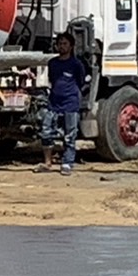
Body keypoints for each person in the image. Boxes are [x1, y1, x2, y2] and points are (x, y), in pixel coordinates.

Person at [38, 31, 87, 175]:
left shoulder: (76, 65)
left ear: (71, 46)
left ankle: (67, 163)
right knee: (46, 132)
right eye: (59, 44)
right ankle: (47, 162)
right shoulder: (52, 63)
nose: (62, 46)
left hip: (70, 104)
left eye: (65, 44)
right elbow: (52, 80)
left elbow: (81, 81)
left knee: (70, 136)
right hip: (53, 103)